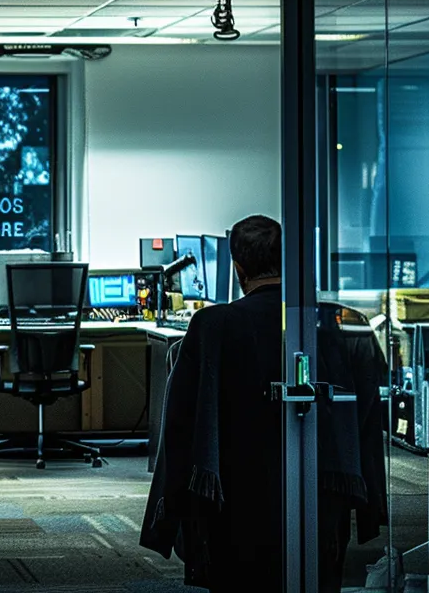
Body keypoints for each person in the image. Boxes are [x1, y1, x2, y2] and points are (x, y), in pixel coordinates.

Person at [140, 215, 286, 592]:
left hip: (231, 488)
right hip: (308, 484)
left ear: (237, 268)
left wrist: (170, 509)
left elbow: (179, 425)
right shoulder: (317, 321)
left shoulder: (212, 324)